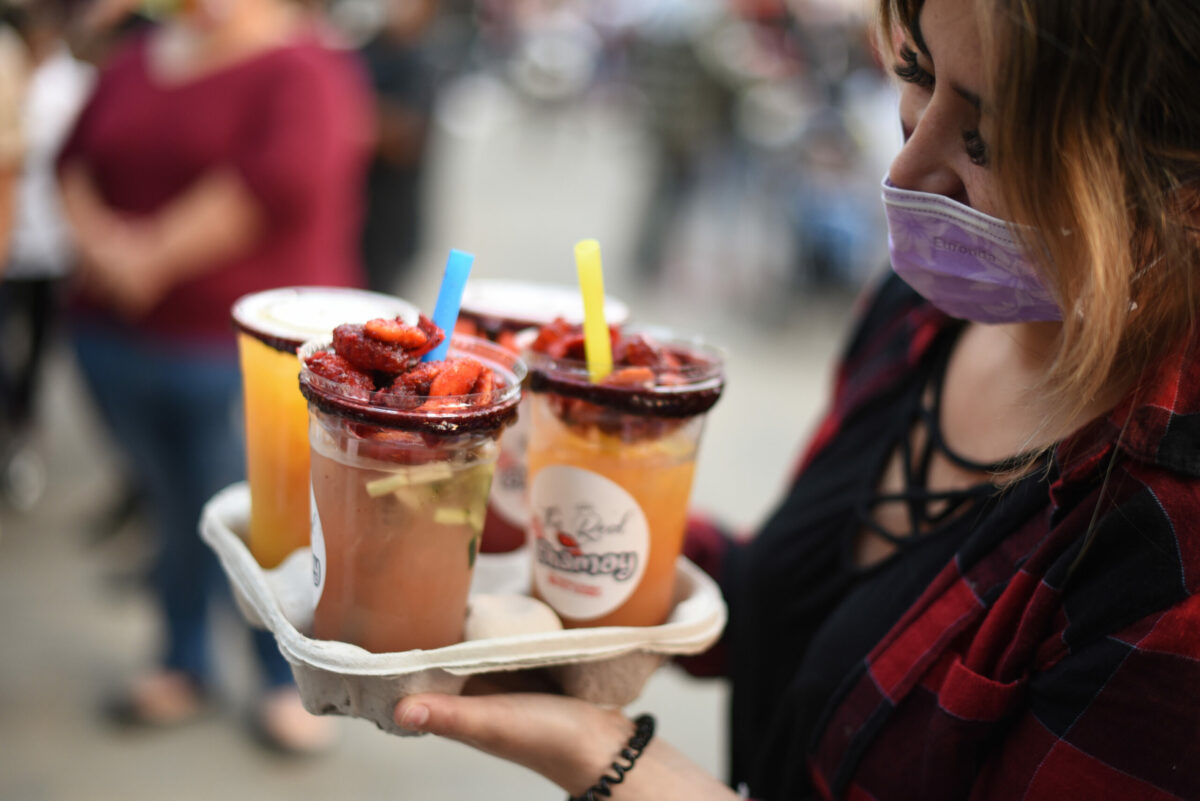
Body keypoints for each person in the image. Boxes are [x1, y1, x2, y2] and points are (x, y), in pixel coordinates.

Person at [388, 0, 1200, 798]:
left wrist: (616, 768)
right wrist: (589, 543)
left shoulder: (1171, 544)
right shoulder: (923, 314)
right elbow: (808, 610)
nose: (904, 171)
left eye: (992, 140)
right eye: (913, 73)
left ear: (1180, 188)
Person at [57, 0, 372, 753]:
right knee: (174, 509)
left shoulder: (306, 65)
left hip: (240, 348)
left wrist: (151, 255)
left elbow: (279, 182)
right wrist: (105, 248)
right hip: (114, 333)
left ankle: (280, 675)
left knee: (269, 521)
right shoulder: (136, 56)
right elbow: (70, 162)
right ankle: (182, 655)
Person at [0, 0, 94, 511]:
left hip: (52, 242)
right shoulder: (8, 68)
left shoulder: (75, 82)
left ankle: (23, 429)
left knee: (37, 346)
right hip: (9, 241)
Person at [357, 0, 439, 296]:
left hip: (393, 222)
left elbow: (404, 141)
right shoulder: (364, 50)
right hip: (354, 216)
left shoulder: (426, 61)